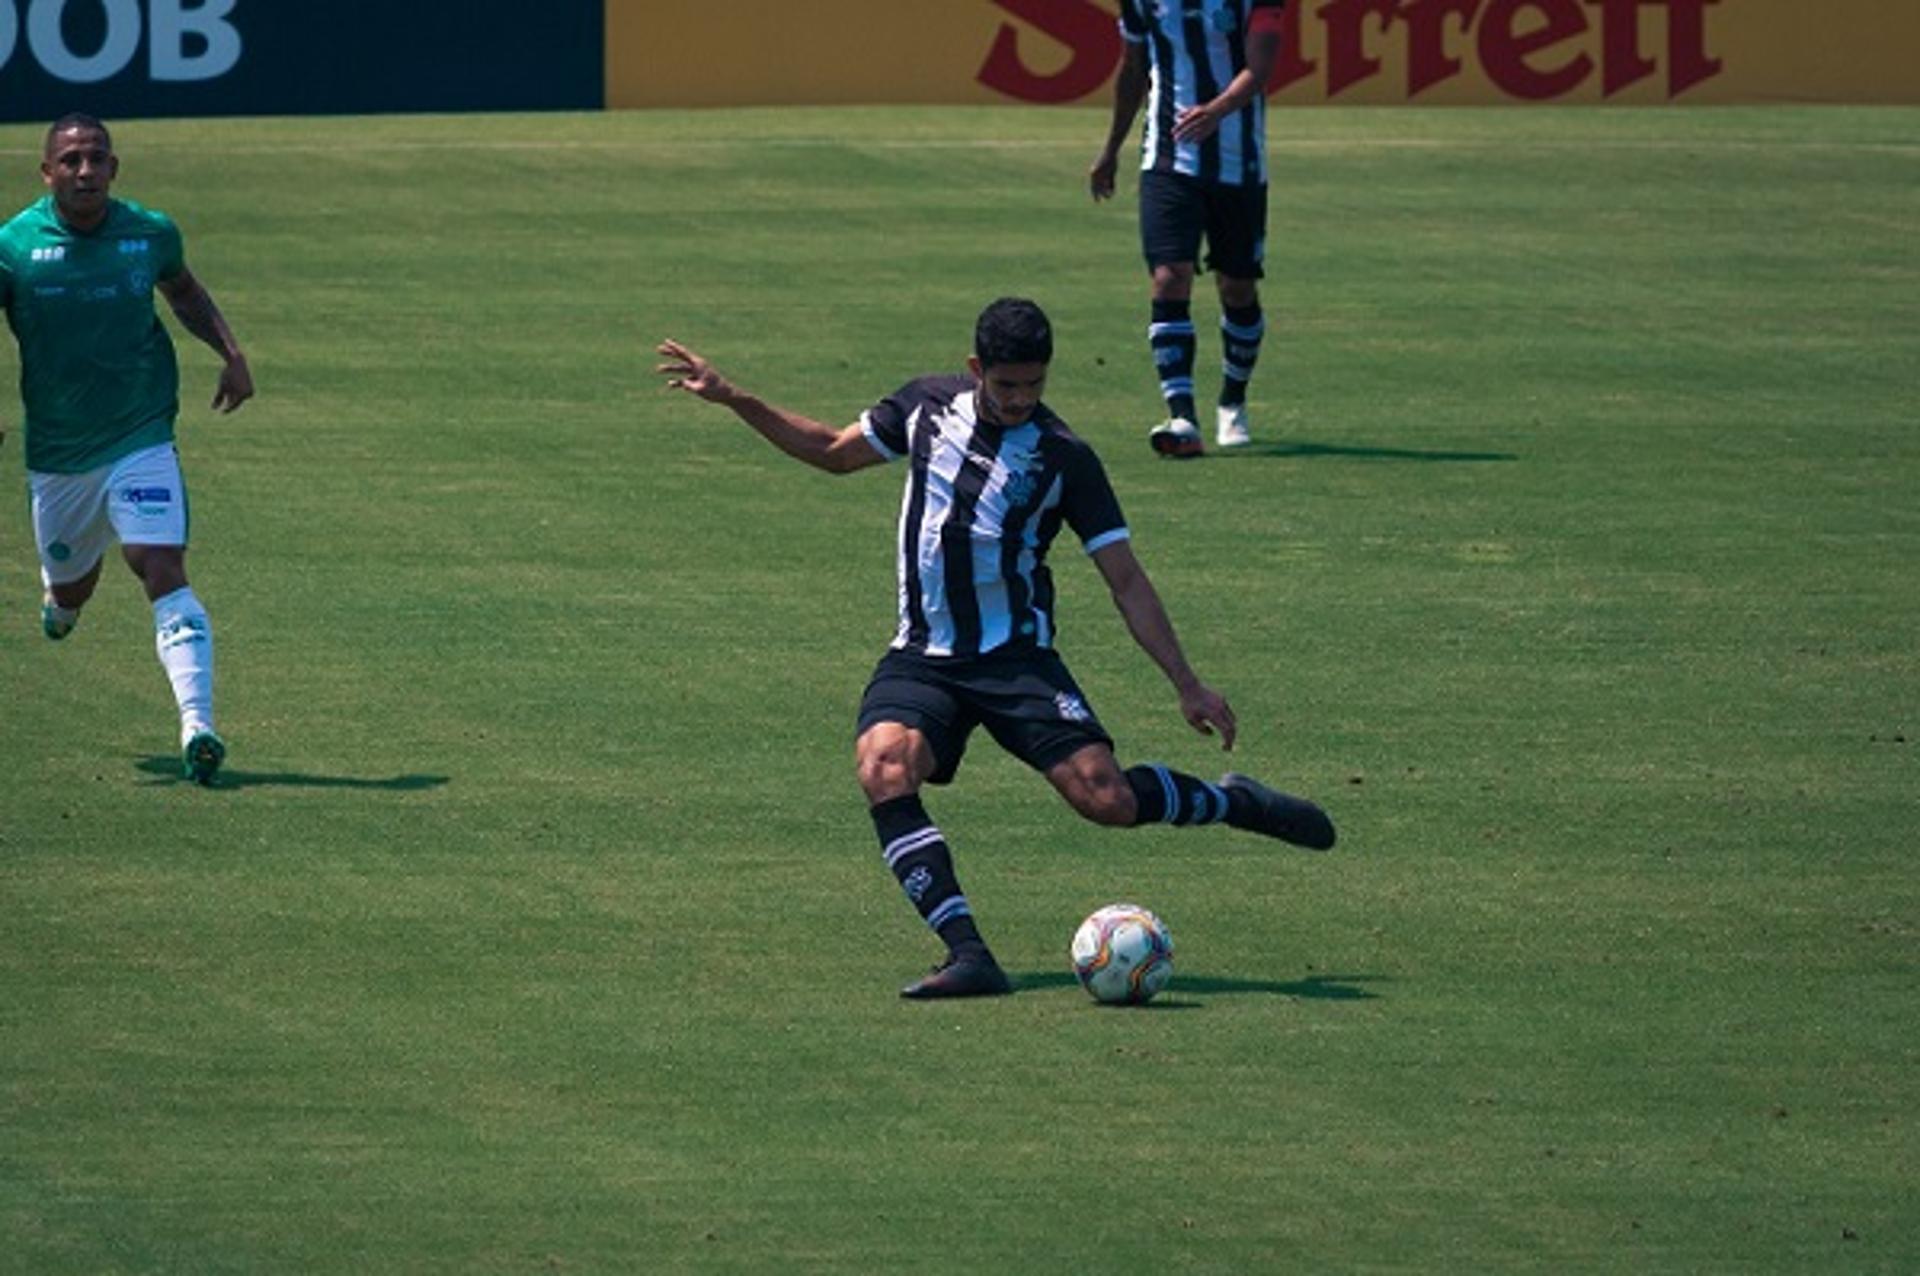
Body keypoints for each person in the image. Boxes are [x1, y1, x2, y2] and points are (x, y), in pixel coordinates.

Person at [656, 298, 1334, 999]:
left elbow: (1126, 579)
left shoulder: (1064, 457)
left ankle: (1235, 804)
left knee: (1105, 800)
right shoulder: (924, 407)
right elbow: (831, 451)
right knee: (884, 767)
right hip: (924, 655)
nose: (1020, 400)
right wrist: (735, 399)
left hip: (1017, 660)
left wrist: (1187, 683)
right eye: (1007, 385)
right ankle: (968, 954)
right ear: (977, 369)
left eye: (1034, 386)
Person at [0, 114, 254, 784]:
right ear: (47, 171)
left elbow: (184, 291)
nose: (86, 172)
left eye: (97, 159)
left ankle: (197, 724)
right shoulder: (14, 246)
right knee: (72, 588)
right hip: (58, 452)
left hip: (140, 431)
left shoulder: (149, 232)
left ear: (115, 168)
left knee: (157, 562)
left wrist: (230, 353)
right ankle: (61, 605)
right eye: (72, 160)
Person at [1090, 0, 1286, 458]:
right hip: (1167, 158)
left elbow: (1260, 69)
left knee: (1236, 287)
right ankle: (1182, 416)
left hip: (1239, 166)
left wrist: (1216, 110)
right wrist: (1111, 149)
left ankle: (1232, 399)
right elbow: (1133, 65)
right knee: (1168, 275)